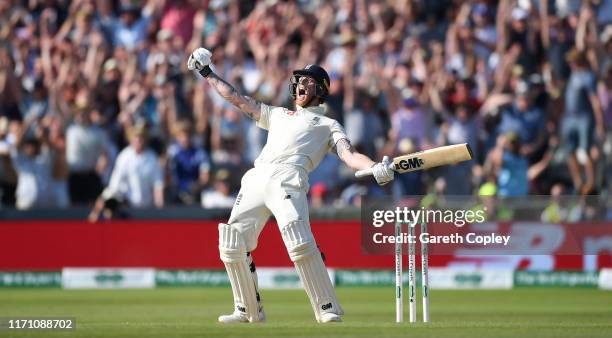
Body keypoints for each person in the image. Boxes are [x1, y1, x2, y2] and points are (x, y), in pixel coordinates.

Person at [187, 47, 394, 323]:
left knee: (298, 241)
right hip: (258, 176)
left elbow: (350, 155)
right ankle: (248, 309)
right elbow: (236, 99)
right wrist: (206, 72)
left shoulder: (328, 124)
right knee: (231, 242)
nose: (300, 85)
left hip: (289, 178)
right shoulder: (277, 114)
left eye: (307, 81)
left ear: (320, 89)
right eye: (299, 80)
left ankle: (327, 307)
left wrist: (373, 167)